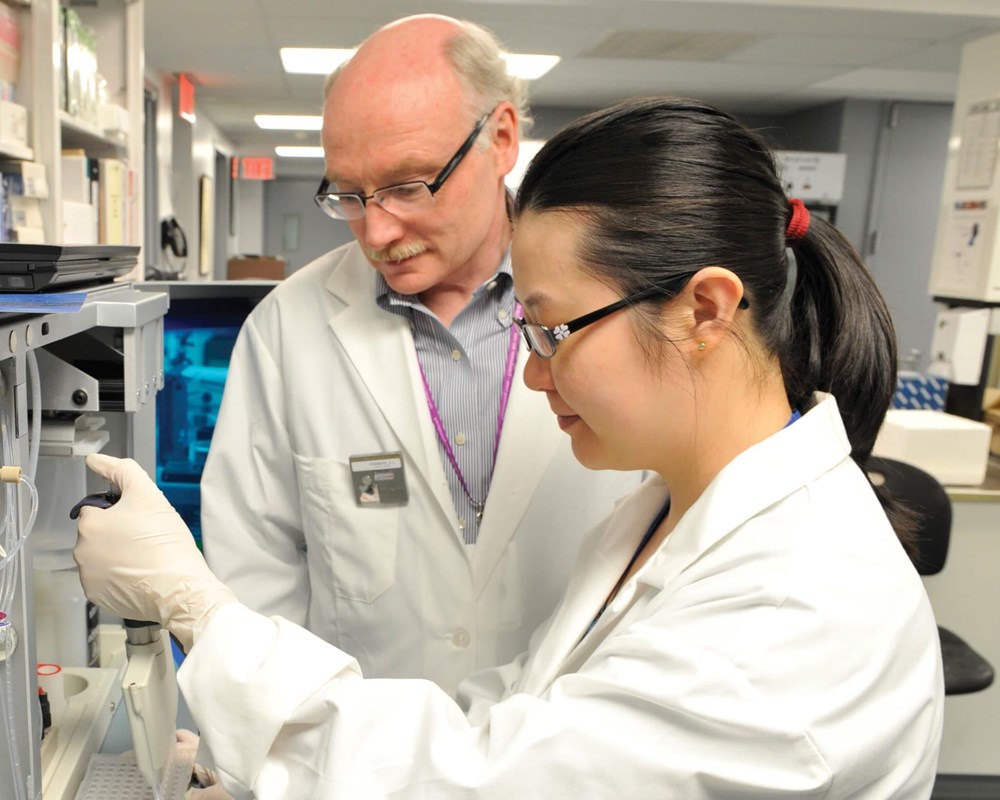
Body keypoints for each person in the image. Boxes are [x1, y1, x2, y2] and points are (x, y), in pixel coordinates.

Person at [75, 96, 943, 799]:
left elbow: (489, 783)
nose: (533, 375)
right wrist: (279, 755)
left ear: (705, 311)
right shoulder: (659, 516)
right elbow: (510, 719)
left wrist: (196, 609)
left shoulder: (799, 607)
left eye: (554, 329)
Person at [198, 14, 641, 697]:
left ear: (500, 140)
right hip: (355, 764)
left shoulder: (620, 307)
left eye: (408, 186)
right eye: (347, 194)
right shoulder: (287, 330)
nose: (376, 230)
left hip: (570, 752)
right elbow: (255, 580)